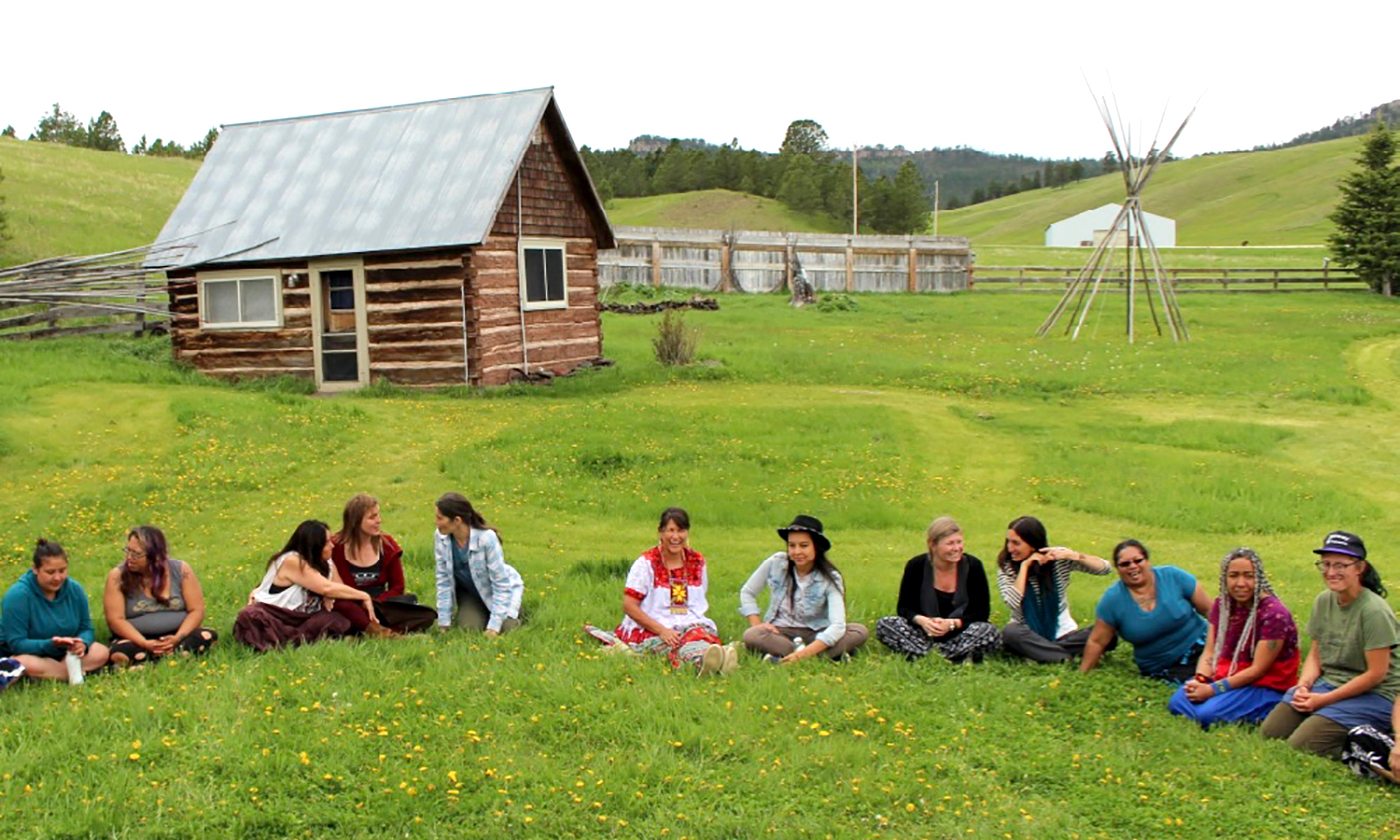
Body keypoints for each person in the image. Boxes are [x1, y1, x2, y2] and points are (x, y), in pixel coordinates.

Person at [1262, 530, 1400, 760]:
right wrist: (1304, 686)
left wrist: (1324, 701)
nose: (1331, 572)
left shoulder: (1374, 611)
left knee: (1302, 743)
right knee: (1272, 731)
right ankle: (1335, 720)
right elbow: (1316, 655)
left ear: (1360, 568)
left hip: (1375, 693)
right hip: (1330, 683)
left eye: (1340, 565)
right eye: (1325, 564)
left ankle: (1372, 743)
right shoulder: (1323, 601)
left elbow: (1376, 674)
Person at [1167, 548, 1299, 728]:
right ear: (1225, 578)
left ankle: (1267, 708)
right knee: (1177, 702)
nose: (1241, 583)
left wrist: (1212, 690)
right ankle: (1219, 708)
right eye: (1233, 576)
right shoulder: (1222, 605)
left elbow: (1257, 670)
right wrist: (1200, 679)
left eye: (1249, 576)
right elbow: (1210, 651)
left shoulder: (1274, 615)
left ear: (1259, 578)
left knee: (1207, 715)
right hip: (1226, 676)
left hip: (1263, 685)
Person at [607, 507, 737, 675]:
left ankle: (710, 661)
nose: (676, 537)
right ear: (661, 533)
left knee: (697, 635)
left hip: (690, 623)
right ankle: (706, 662)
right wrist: (662, 630)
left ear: (687, 533)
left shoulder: (697, 561)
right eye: (671, 530)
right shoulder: (646, 563)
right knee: (674, 643)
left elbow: (698, 599)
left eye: (681, 530)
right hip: (654, 626)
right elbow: (629, 606)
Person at [739, 515, 868, 663]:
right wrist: (757, 624)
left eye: (804, 545)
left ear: (816, 547)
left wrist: (804, 653)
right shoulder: (776, 563)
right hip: (780, 632)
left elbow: (838, 625)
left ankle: (792, 656)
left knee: (859, 631)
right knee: (752, 635)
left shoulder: (831, 578)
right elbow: (747, 592)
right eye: (792, 546)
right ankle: (825, 656)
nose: (797, 551)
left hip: (817, 633)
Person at [233, 520, 376, 651]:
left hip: (302, 618)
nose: (332, 546)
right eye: (327, 542)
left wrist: (330, 595)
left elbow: (338, 588)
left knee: (333, 618)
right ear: (314, 545)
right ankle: (296, 641)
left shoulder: (326, 562)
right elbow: (326, 588)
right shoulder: (292, 561)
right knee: (251, 617)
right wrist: (364, 596)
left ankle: (300, 640)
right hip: (276, 615)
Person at [874, 516, 1001, 663]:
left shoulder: (973, 566)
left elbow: (981, 612)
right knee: (885, 624)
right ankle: (948, 655)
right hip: (924, 632)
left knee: (988, 631)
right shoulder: (916, 566)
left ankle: (929, 655)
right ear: (933, 545)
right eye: (950, 544)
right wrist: (923, 621)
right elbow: (904, 608)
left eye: (959, 542)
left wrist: (952, 624)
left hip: (960, 632)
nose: (956, 548)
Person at [1080, 539, 1210, 682]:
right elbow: (1097, 641)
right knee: (1199, 684)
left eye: (1138, 561)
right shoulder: (1112, 601)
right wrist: (1083, 675)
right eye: (1125, 564)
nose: (1132, 566)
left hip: (1203, 645)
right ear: (1117, 569)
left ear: (1148, 561)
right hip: (1164, 665)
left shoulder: (1173, 576)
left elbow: (1209, 610)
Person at [995, 515, 1112, 663]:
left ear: (1033, 544)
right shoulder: (1007, 567)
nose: (1010, 548)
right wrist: (1025, 567)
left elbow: (1104, 569)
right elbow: (1012, 603)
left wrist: (1075, 556)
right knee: (1010, 632)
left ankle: (1046, 653)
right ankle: (1065, 655)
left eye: (1016, 543)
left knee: (1107, 631)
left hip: (1064, 632)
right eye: (1008, 542)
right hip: (1028, 633)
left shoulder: (1057, 558)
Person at [103, 525, 218, 666]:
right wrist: (144, 643)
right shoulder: (117, 576)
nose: (129, 558)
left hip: (178, 635)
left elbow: (196, 610)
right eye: (128, 551)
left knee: (207, 636)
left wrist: (177, 637)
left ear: (155, 556)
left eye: (136, 554)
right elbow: (115, 620)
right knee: (122, 651)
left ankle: (153, 658)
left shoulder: (181, 570)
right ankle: (170, 656)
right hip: (137, 639)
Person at [1, 538, 110, 680]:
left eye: (62, 571)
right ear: (35, 569)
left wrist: (83, 643)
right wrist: (50, 644)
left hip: (67, 653)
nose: (57, 578)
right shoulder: (18, 595)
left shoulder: (75, 590)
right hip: (31, 655)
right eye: (50, 572)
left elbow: (86, 628)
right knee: (22, 662)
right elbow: (16, 643)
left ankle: (55, 673)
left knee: (101, 651)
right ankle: (71, 673)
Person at [332, 494, 434, 635]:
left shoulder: (387, 545)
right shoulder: (335, 546)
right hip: (350, 602)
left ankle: (365, 629)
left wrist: (374, 603)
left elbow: (398, 587)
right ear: (355, 521)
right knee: (340, 607)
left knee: (426, 614)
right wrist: (361, 600)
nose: (379, 521)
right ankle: (380, 632)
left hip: (381, 605)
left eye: (378, 515)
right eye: (372, 517)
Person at [433, 493, 524, 636]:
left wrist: (493, 628)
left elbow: (501, 584)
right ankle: (481, 612)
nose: (436, 522)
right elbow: (443, 580)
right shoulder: (441, 537)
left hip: (498, 591)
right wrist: (444, 624)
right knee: (469, 629)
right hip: (470, 593)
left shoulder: (487, 539)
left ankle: (515, 611)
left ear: (457, 520)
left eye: (440, 518)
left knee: (506, 628)